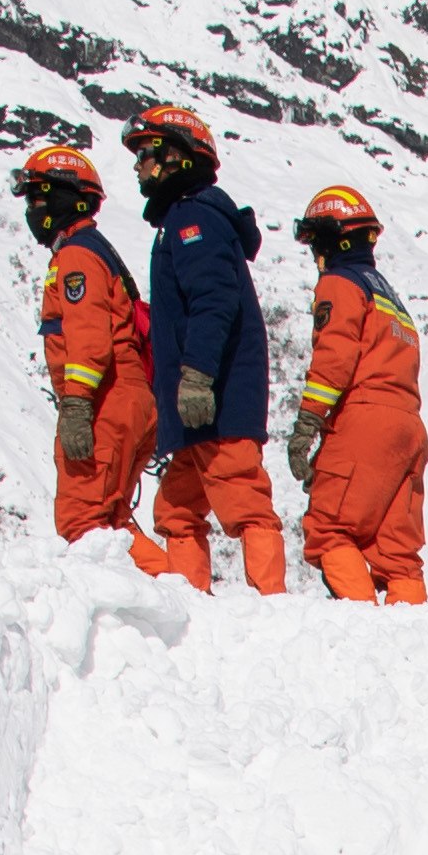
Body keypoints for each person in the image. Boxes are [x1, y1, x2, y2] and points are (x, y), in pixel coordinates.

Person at [130, 106, 283, 589]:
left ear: (176, 158)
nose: (139, 166)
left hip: (217, 399)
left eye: (146, 153)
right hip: (196, 406)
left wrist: (196, 376)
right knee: (176, 509)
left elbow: (213, 300)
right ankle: (191, 607)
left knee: (243, 499)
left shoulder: (194, 217)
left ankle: (275, 603)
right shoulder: (182, 218)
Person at [288, 185, 427, 605]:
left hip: (363, 420)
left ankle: (361, 630)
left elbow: (334, 356)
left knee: (329, 529)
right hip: (409, 429)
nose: (315, 255)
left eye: (314, 242)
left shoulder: (340, 283)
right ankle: (413, 639)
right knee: (398, 555)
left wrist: (307, 422)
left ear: (332, 238)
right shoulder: (389, 296)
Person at [13, 140, 155, 551]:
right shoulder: (90, 251)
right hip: (124, 398)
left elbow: (89, 336)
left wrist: (76, 405)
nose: (32, 210)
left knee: (85, 524)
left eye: (38, 197)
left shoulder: (77, 257)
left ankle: (182, 604)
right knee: (109, 527)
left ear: (64, 199)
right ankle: (172, 601)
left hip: (104, 400)